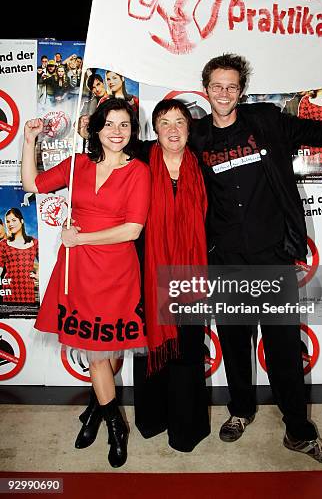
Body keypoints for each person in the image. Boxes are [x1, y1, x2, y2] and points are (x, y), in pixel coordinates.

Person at [188, 53, 322, 466]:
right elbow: (151, 149)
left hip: (272, 257)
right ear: (205, 90)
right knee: (233, 342)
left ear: (241, 90)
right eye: (217, 86)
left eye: (232, 86)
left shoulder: (265, 121)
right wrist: (96, 135)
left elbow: (319, 128)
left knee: (283, 348)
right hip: (225, 260)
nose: (224, 93)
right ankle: (241, 410)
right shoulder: (195, 136)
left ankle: (298, 430)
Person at [21, 98, 151, 468]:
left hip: (117, 272)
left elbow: (132, 229)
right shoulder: (77, 166)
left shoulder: (138, 171)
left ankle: (96, 411)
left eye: (124, 125)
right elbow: (33, 183)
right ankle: (115, 428)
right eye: (109, 124)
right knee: (96, 354)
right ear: (96, 128)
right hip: (78, 271)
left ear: (132, 131)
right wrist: (29, 140)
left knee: (110, 351)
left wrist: (80, 239)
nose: (116, 131)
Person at [133, 99, 210, 452]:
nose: (173, 129)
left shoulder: (204, 166)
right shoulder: (138, 164)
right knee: (151, 346)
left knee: (188, 350)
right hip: (146, 273)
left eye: (180, 121)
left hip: (190, 276)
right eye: (164, 122)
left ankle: (185, 427)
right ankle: (152, 418)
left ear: (189, 127)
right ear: (155, 130)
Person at [0, 208, 38, 304]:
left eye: (14, 220)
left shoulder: (34, 242)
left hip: (28, 289)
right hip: (9, 289)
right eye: (8, 221)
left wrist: (38, 274)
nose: (10, 224)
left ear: (21, 221)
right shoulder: (3, 244)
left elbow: (45, 260)